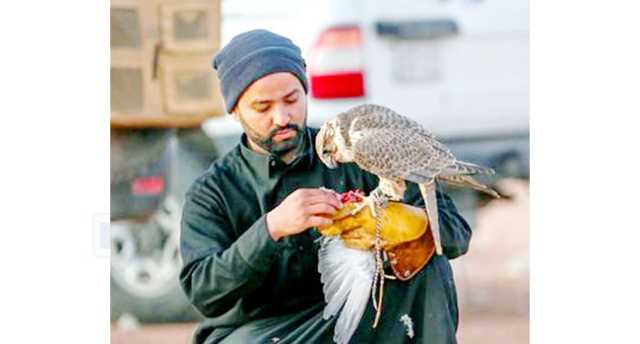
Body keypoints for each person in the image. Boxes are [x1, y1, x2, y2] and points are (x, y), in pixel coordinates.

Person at [179, 29, 472, 344]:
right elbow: (204, 293)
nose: (282, 117)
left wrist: (400, 222)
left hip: (358, 315)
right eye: (263, 108)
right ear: (235, 111)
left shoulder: (360, 153)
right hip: (266, 331)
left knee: (428, 262)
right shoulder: (214, 191)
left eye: (292, 100)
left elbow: (455, 234)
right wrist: (271, 229)